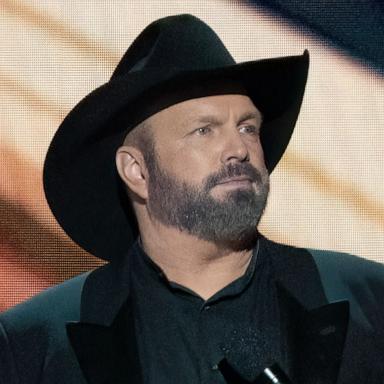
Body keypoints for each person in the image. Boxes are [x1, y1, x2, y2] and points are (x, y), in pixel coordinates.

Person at [0, 14, 383, 384]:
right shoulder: (31, 348)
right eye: (204, 130)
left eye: (248, 127)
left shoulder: (372, 303)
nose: (239, 148)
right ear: (137, 171)